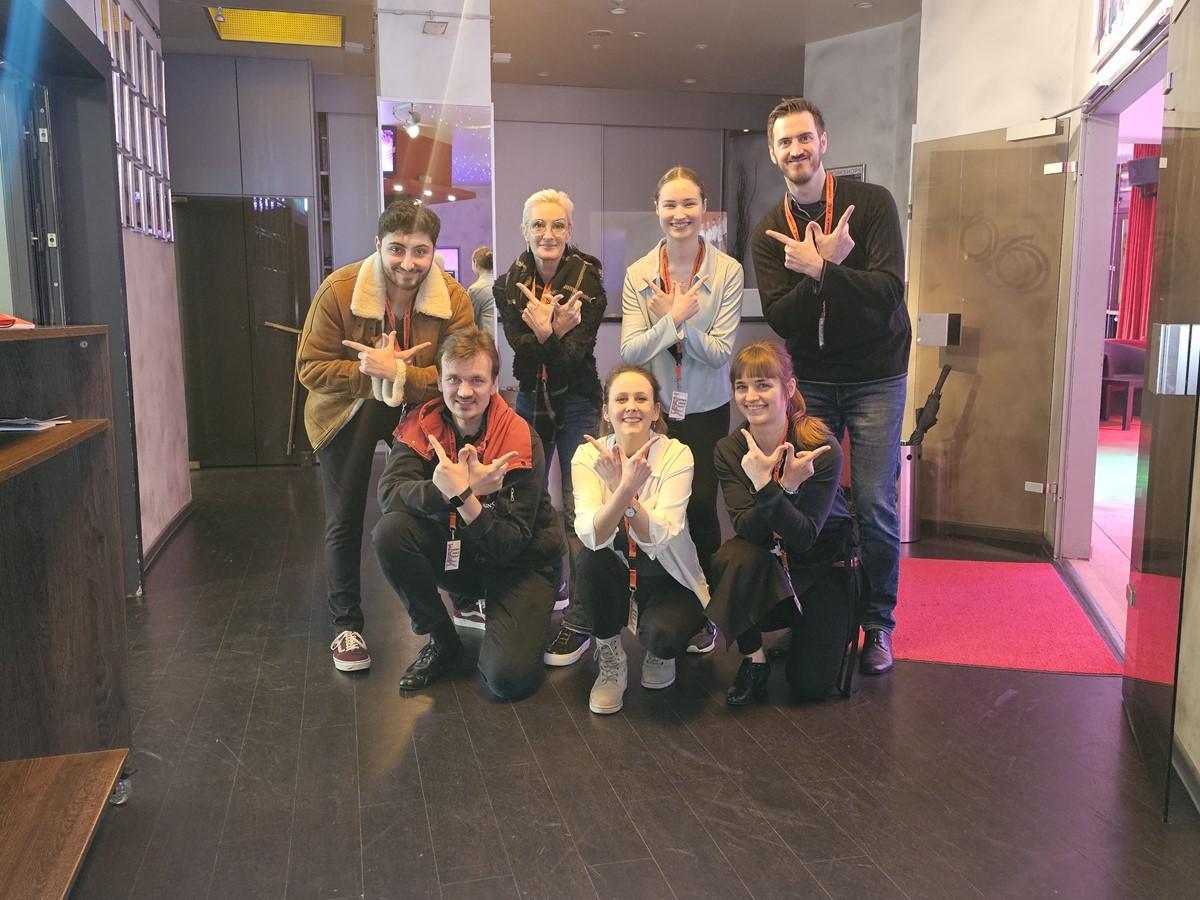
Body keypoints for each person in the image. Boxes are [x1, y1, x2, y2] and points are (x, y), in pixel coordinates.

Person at [750, 97, 909, 675]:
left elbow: (888, 291)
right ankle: (816, 614)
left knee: (874, 503)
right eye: (785, 142)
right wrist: (823, 275)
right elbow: (781, 317)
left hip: (875, 377)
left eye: (804, 138)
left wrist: (822, 269)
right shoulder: (770, 229)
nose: (796, 149)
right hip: (812, 380)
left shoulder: (872, 205)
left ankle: (878, 623)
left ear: (823, 142)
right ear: (774, 154)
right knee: (807, 500)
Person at [297, 200, 474, 672]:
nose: (408, 263)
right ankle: (346, 626)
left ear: (433, 251)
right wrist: (369, 371)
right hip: (347, 411)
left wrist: (400, 373)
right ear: (378, 245)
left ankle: (460, 598)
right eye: (397, 249)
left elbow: (461, 371)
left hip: (417, 411)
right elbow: (309, 368)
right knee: (345, 516)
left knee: (438, 504)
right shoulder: (339, 291)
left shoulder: (453, 299)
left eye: (420, 251)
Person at [371, 328, 563, 698]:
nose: (463, 391)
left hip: (520, 563)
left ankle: (519, 610)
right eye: (453, 379)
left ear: (494, 383)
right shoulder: (421, 424)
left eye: (476, 380)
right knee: (390, 532)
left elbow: (507, 545)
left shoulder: (520, 437)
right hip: (463, 553)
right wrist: (457, 491)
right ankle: (443, 641)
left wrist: (464, 496)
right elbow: (389, 495)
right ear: (440, 381)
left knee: (506, 681)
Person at [620, 165, 743, 655]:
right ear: (656, 209)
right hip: (657, 412)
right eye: (669, 204)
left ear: (703, 208)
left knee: (701, 506)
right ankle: (661, 600)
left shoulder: (727, 272)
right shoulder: (639, 274)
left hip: (707, 409)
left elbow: (719, 353)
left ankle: (705, 610)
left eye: (689, 203)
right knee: (655, 505)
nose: (679, 213)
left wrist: (678, 325)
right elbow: (631, 350)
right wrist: (673, 321)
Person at [712, 340, 864, 704]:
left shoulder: (819, 446)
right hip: (771, 561)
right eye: (742, 386)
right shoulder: (730, 450)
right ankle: (755, 661)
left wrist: (772, 488)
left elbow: (805, 536)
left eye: (763, 385)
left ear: (789, 388)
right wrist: (782, 489)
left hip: (824, 565)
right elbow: (747, 529)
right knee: (731, 557)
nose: (751, 396)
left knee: (809, 686)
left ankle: (819, 628)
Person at [495, 188, 605, 667]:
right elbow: (521, 364)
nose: (548, 233)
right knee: (531, 498)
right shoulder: (507, 286)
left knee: (581, 504)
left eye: (558, 224)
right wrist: (550, 333)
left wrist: (546, 337)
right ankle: (546, 586)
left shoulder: (589, 279)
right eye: (539, 224)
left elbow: (575, 359)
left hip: (579, 400)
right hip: (530, 401)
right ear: (525, 231)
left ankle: (580, 617)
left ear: (570, 230)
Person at [572, 365, 710, 715]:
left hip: (667, 575)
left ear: (656, 410)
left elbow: (658, 538)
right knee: (589, 559)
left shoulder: (677, 454)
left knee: (663, 638)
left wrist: (625, 494)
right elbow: (592, 534)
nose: (631, 406)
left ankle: (658, 651)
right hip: (616, 573)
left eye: (641, 398)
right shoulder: (587, 455)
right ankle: (610, 657)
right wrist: (623, 489)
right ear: (606, 411)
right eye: (621, 399)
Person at [466, 246, 497, 335]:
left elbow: (470, 319)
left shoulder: (475, 289)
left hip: (488, 338)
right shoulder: (501, 284)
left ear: (475, 263)